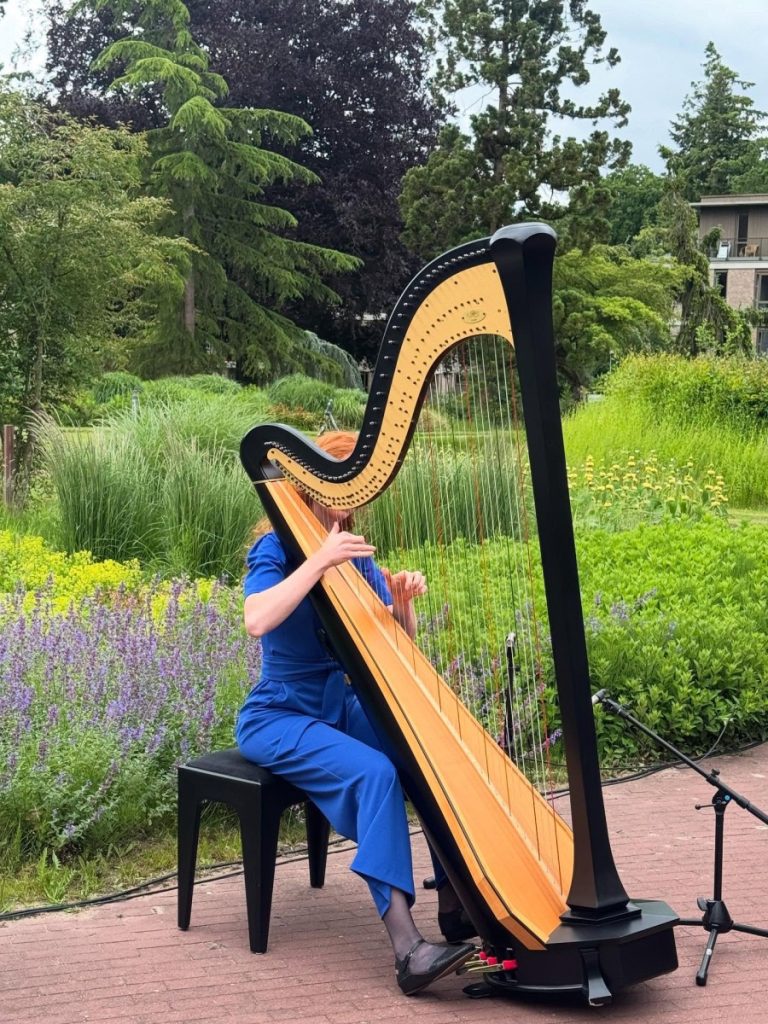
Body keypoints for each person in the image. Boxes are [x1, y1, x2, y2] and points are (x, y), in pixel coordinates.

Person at [236, 431, 475, 995]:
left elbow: (394, 648)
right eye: (340, 485)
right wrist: (319, 560)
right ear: (313, 484)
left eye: (356, 488)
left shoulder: (350, 550)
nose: (350, 499)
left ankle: (454, 902)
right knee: (376, 773)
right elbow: (257, 619)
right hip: (279, 714)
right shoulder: (276, 548)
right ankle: (407, 949)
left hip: (340, 705)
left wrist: (403, 606)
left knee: (422, 749)